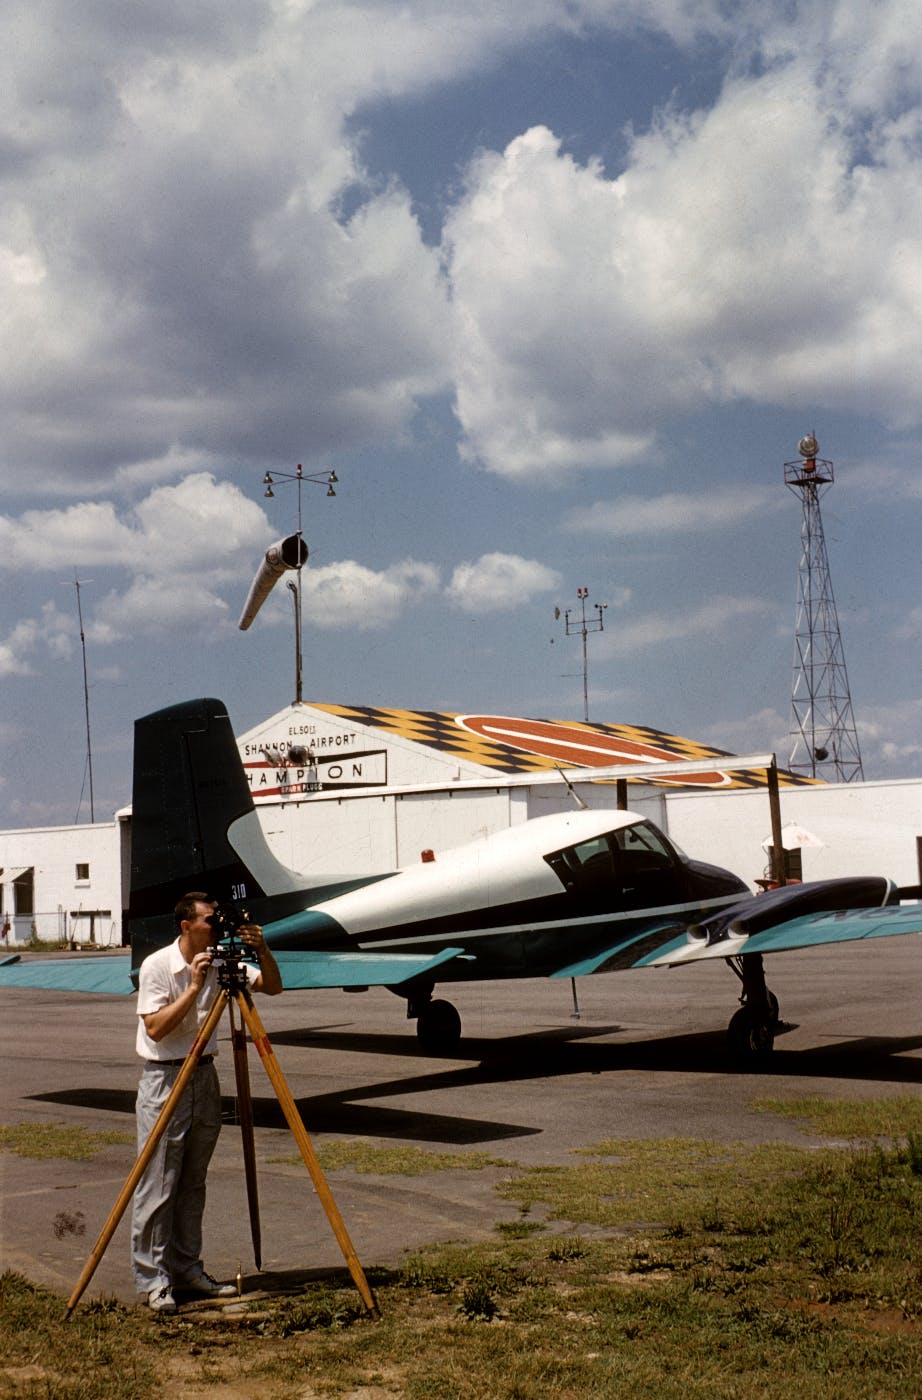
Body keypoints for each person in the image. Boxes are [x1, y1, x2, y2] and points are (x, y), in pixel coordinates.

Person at [130, 891, 283, 1314]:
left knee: (193, 1181)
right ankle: (154, 1280)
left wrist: (261, 949)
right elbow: (157, 1028)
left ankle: (186, 1269)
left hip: (205, 1075)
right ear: (186, 925)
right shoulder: (159, 965)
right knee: (158, 1184)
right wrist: (195, 987)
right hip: (165, 1077)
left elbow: (273, 985)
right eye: (209, 921)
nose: (216, 927)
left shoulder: (221, 960)